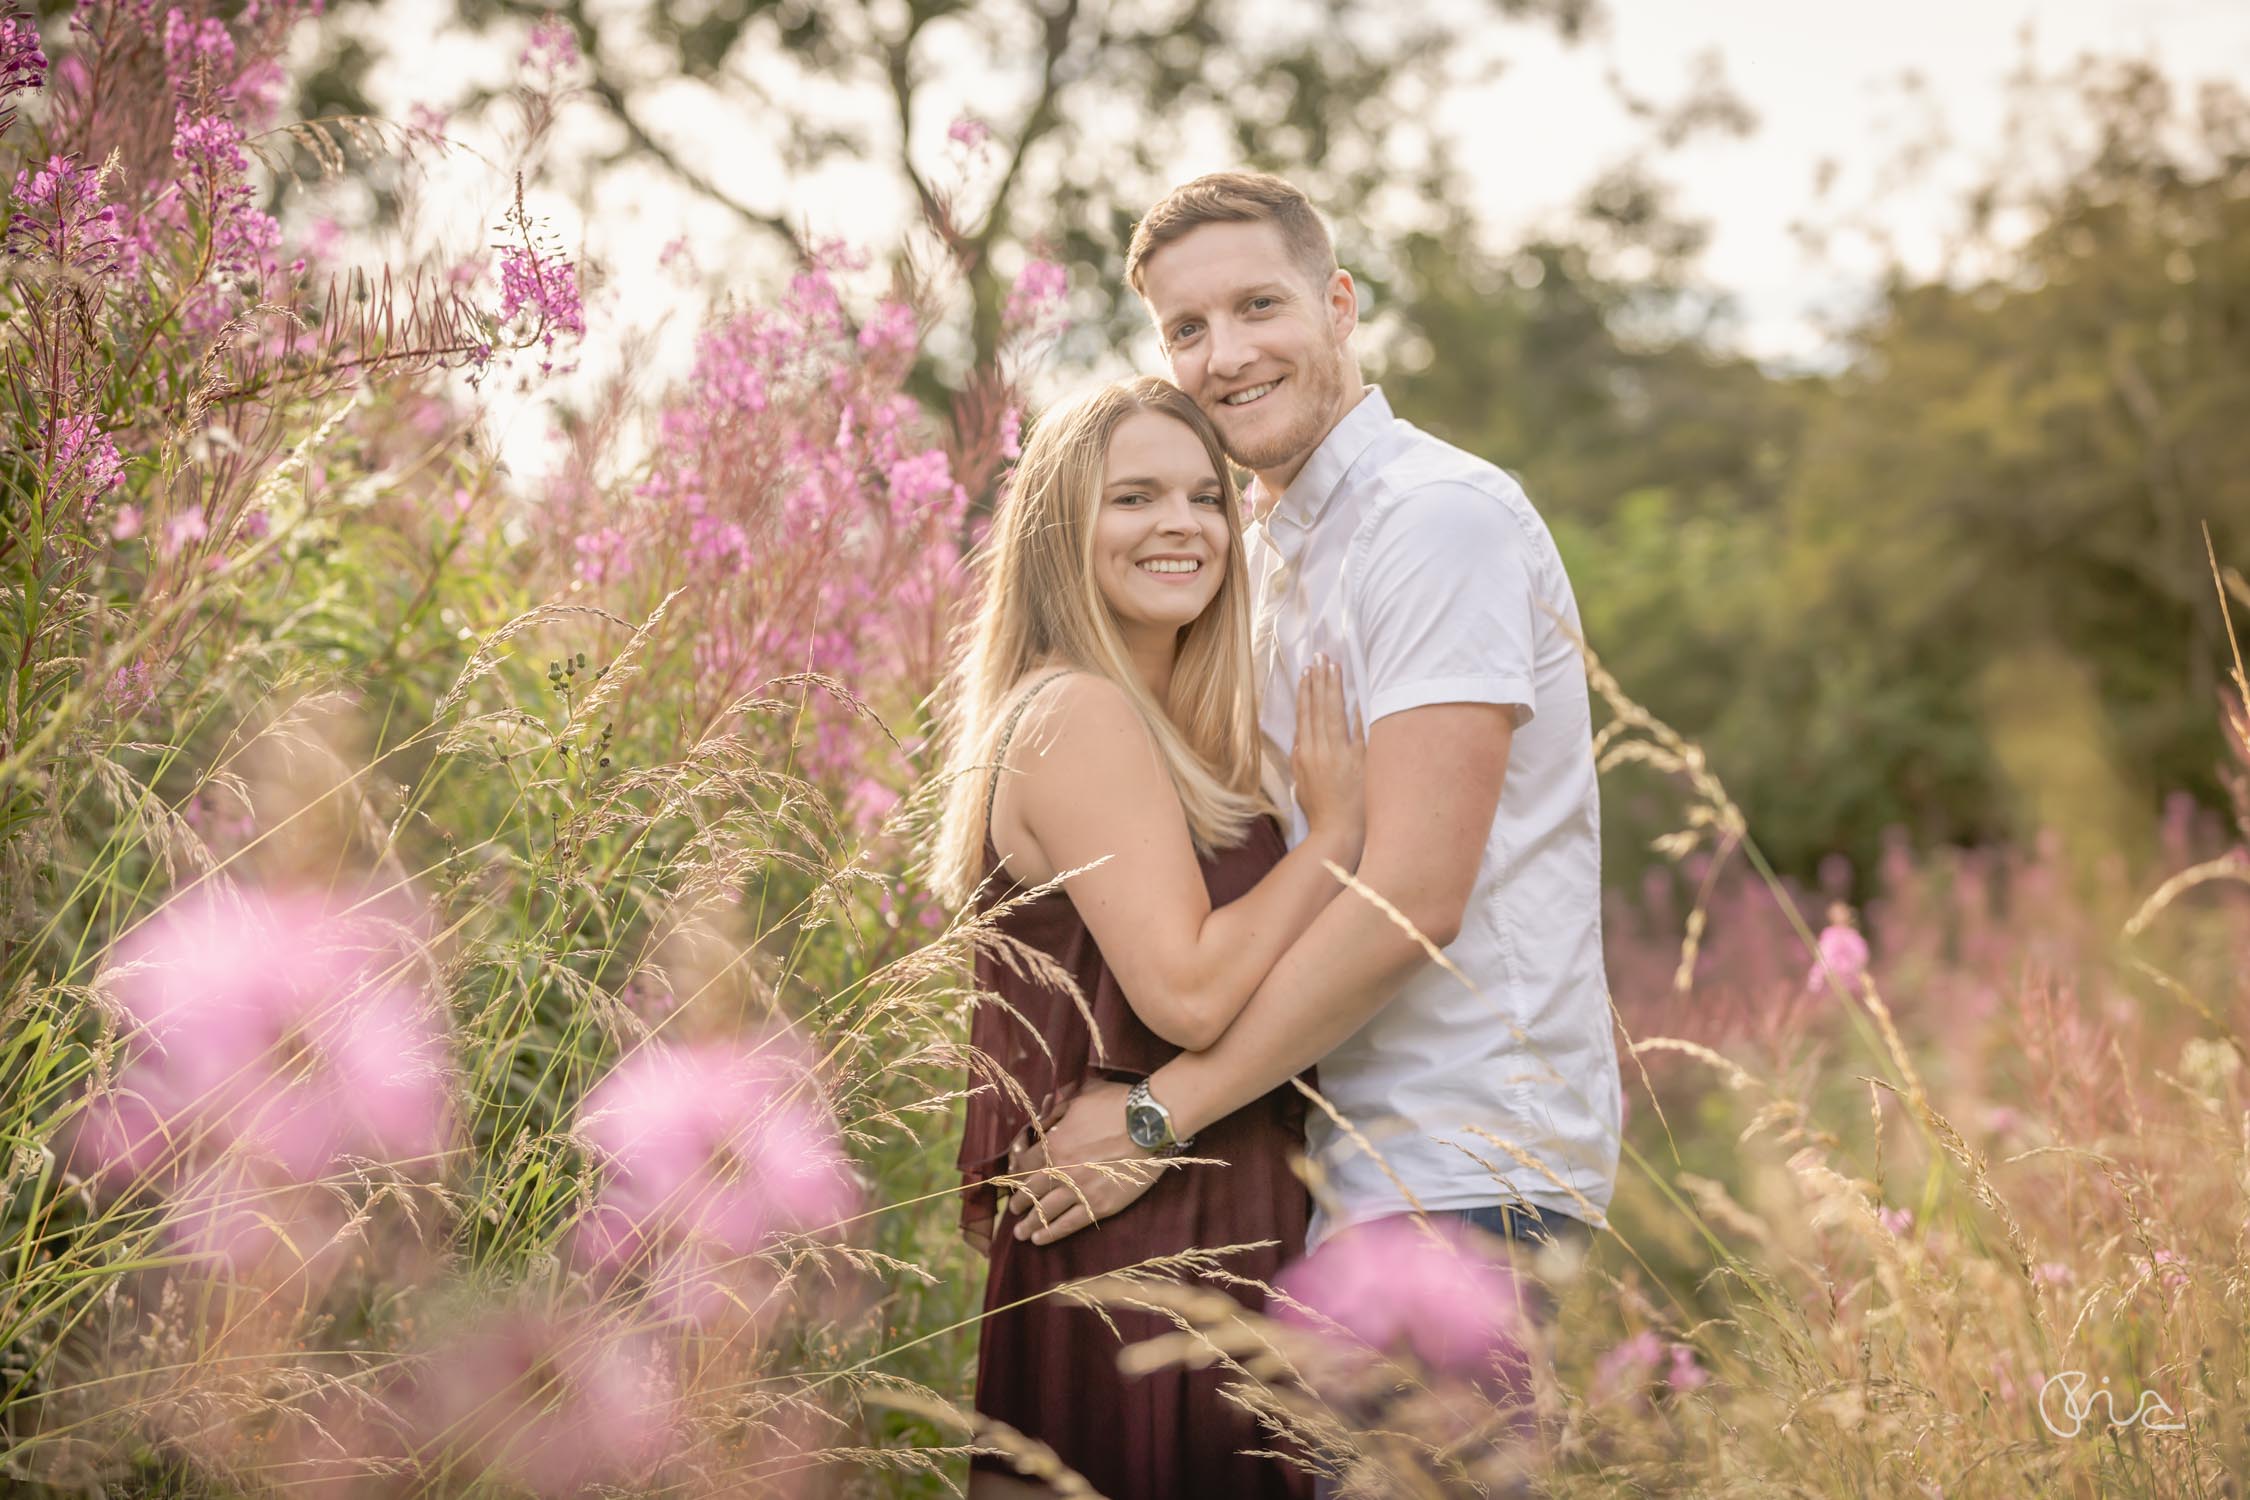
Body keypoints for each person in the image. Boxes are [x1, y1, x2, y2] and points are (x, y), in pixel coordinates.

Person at [1010, 173, 1622, 1283]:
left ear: (1338, 305)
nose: (1227, 354)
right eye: (1186, 329)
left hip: (1462, 1160)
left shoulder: (1435, 523)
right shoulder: (1263, 561)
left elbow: (1418, 894)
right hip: (1333, 1165)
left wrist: (1155, 1117)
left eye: (1259, 307)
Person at [931, 375, 1364, 1499]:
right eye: (1134, 498)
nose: (1181, 524)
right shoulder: (1081, 711)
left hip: (1197, 1216)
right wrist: (1339, 837)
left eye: (1205, 497)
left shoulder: (1171, 731)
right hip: (1141, 1239)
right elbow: (1186, 995)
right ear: (1060, 531)